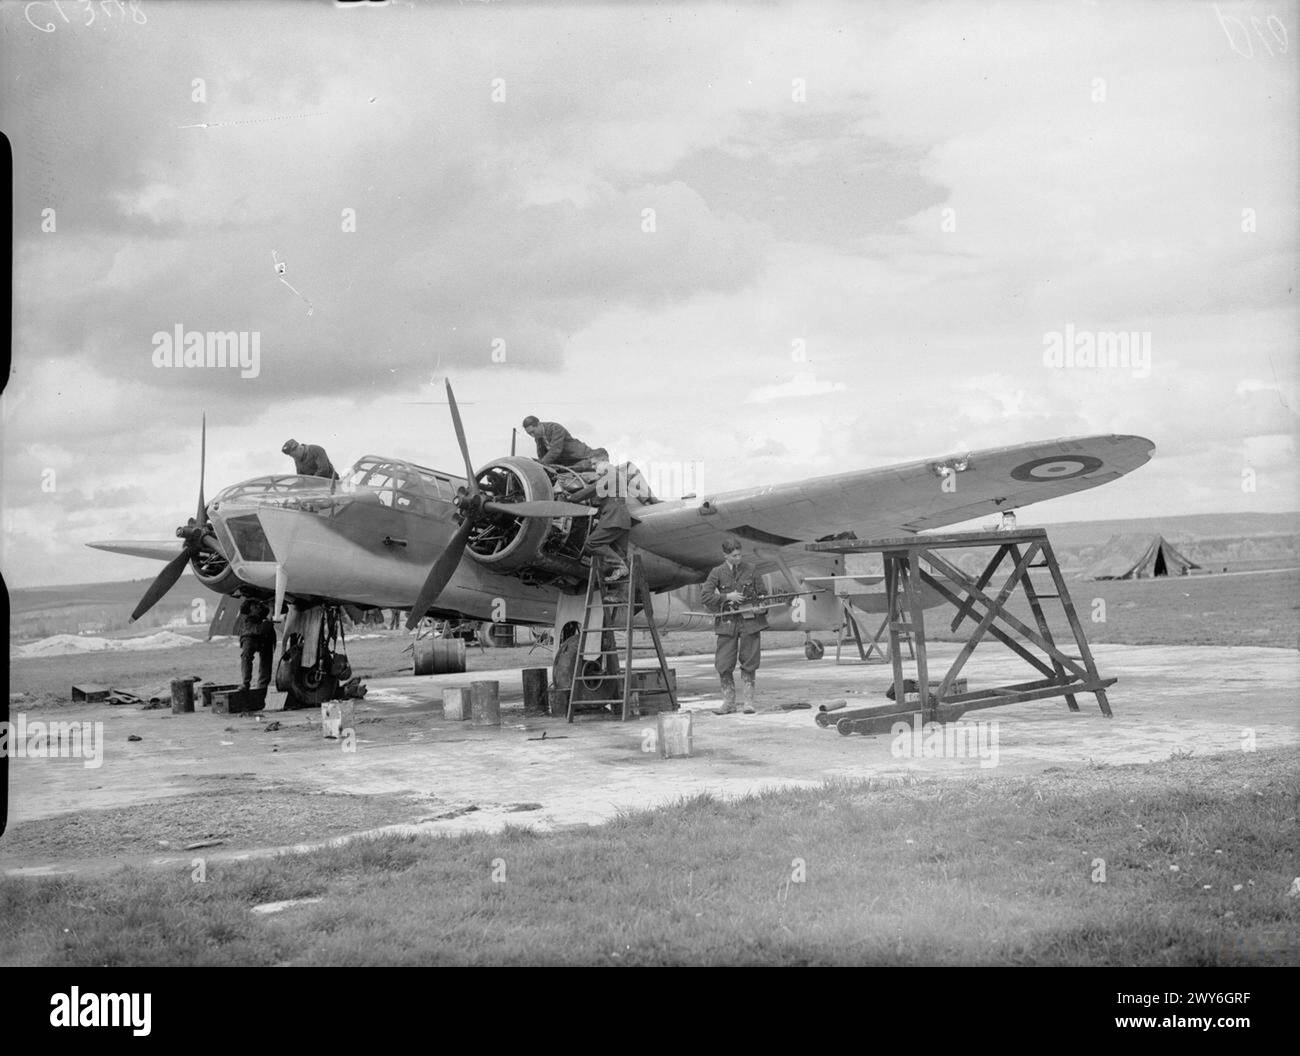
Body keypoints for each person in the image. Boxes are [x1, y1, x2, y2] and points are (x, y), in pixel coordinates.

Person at [701, 537, 768, 715]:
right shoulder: (717, 572)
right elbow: (705, 596)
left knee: (750, 662)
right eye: (734, 555)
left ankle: (748, 702)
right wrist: (727, 597)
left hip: (749, 623)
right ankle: (729, 703)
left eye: (740, 554)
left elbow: (763, 596)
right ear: (725, 555)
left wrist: (760, 607)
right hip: (727, 623)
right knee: (723, 663)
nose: (738, 558)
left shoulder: (752, 569)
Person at [566, 459, 633, 581]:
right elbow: (598, 500)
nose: (598, 477)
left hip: (614, 518)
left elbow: (591, 490)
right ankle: (621, 591)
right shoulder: (616, 483)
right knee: (620, 553)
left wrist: (571, 498)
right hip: (622, 520)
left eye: (599, 474)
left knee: (591, 544)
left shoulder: (612, 475)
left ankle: (620, 567)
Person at [521, 416, 602, 471]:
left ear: (538, 424)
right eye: (529, 434)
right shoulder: (538, 437)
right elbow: (542, 456)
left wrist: (540, 465)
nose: (532, 435)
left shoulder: (555, 428)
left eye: (533, 432)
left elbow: (555, 450)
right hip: (567, 464)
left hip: (581, 457)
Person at [237, 597, 277, 691]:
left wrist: (272, 605)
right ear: (250, 609)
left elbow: (284, 609)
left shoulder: (262, 609)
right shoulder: (248, 620)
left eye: (258, 605)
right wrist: (270, 614)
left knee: (266, 659)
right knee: (246, 656)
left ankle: (262, 687)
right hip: (249, 637)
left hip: (264, 637)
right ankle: (245, 683)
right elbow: (260, 630)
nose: (258, 607)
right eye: (255, 606)